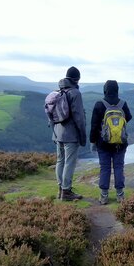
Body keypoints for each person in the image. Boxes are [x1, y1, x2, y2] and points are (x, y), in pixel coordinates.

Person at [90, 80, 132, 204]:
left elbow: (94, 125)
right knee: (119, 167)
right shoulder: (123, 104)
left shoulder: (99, 104)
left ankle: (104, 196)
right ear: (117, 90)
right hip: (120, 143)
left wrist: (92, 141)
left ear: (105, 90)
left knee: (105, 168)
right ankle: (120, 195)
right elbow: (128, 117)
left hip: (103, 143)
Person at [52, 66, 87, 201]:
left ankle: (61, 189)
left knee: (60, 160)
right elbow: (79, 117)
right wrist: (83, 136)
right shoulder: (75, 93)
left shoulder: (58, 92)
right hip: (70, 135)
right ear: (77, 79)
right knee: (69, 162)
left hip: (58, 133)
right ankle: (66, 192)